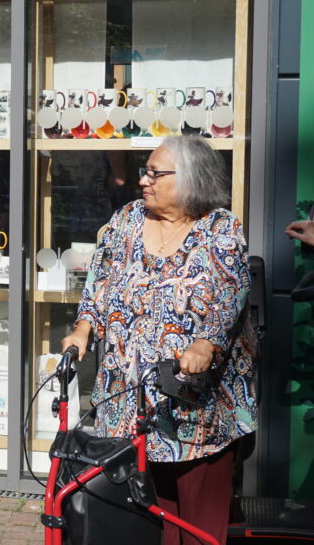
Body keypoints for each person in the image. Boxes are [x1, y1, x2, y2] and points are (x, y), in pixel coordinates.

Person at [61, 135, 257, 545]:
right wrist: (82, 329)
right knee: (147, 521)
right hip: (129, 402)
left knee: (198, 526)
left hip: (195, 408)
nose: (143, 180)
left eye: (155, 173)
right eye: (144, 171)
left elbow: (229, 296)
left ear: (189, 179)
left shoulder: (221, 229)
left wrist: (206, 344)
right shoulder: (127, 220)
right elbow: (98, 284)